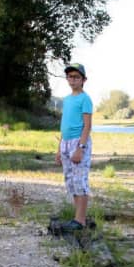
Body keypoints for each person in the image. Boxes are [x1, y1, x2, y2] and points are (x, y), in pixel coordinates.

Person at [56, 63, 94, 231]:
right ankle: (76, 218)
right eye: (70, 77)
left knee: (80, 181)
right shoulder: (67, 99)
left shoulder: (85, 99)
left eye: (76, 77)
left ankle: (80, 220)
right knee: (70, 181)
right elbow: (64, 125)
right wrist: (59, 148)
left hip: (78, 142)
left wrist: (81, 147)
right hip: (65, 142)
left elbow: (87, 126)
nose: (73, 80)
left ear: (83, 80)